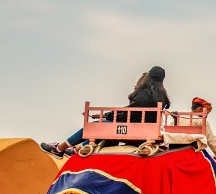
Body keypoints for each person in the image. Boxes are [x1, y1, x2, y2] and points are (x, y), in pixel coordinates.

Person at [40, 65, 170, 157]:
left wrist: (107, 115)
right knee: (103, 122)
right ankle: (75, 150)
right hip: (147, 130)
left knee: (96, 125)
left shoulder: (144, 94)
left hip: (133, 128)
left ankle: (59, 148)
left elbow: (127, 114)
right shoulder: (162, 97)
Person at [188, 97, 216, 165]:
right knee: (214, 165)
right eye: (206, 113)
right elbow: (211, 141)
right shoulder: (202, 121)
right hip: (194, 151)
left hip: (173, 151)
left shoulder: (175, 120)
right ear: (199, 109)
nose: (206, 116)